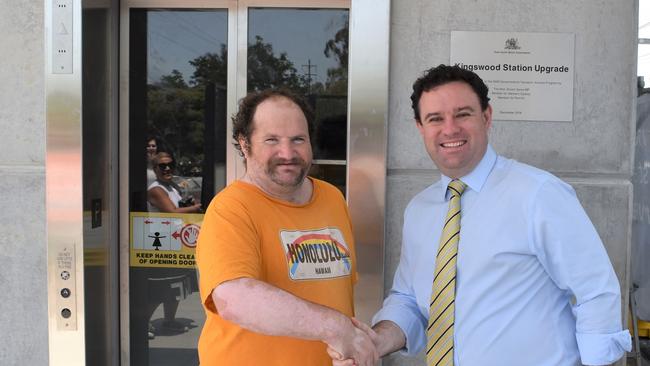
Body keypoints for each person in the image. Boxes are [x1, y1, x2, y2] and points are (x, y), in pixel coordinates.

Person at [332, 64, 632, 366]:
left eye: (463, 114)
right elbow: (409, 300)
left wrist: (598, 361)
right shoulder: (420, 210)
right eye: (435, 119)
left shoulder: (539, 194)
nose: (450, 129)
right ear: (420, 128)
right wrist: (376, 340)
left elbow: (595, 290)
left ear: (486, 117)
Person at [195, 89, 378, 366]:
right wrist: (336, 328)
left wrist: (349, 348)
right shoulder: (230, 209)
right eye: (272, 140)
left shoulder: (332, 198)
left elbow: (338, 291)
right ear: (245, 145)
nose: (288, 153)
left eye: (298, 140)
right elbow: (234, 298)